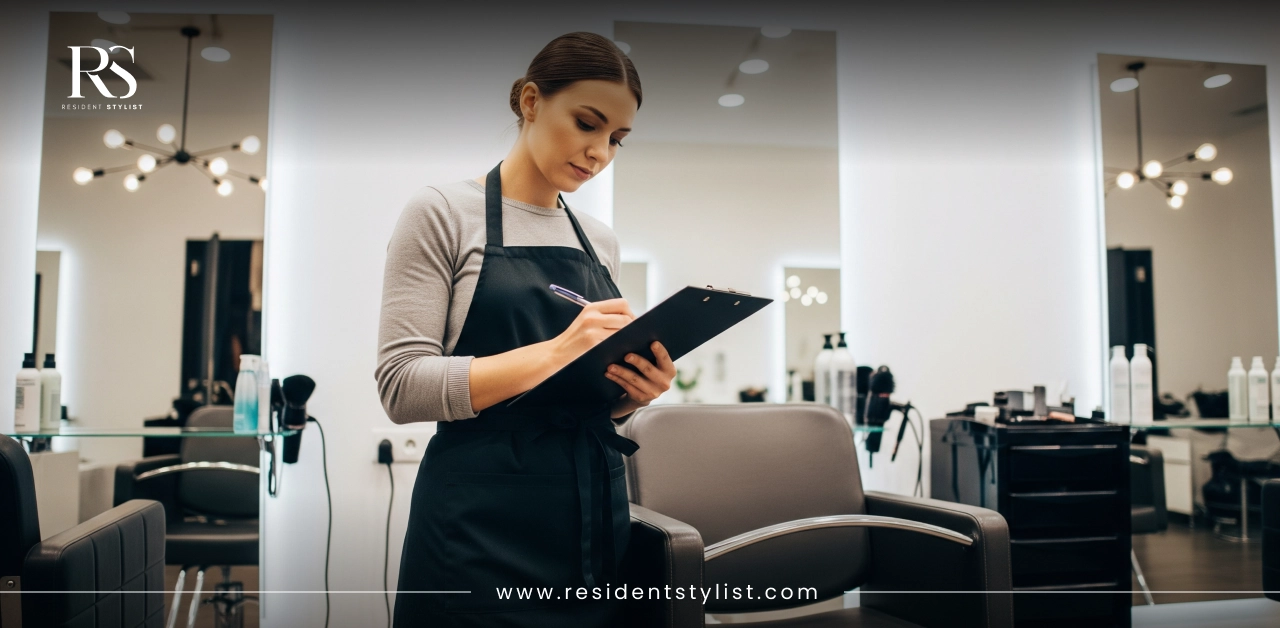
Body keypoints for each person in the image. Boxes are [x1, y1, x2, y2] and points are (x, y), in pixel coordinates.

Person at [376, 32, 675, 626]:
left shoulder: (600, 240)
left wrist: (629, 394)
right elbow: (401, 385)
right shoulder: (442, 213)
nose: (600, 153)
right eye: (587, 124)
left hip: (593, 511)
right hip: (476, 519)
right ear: (531, 102)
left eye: (617, 139)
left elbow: (583, 393)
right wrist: (559, 350)